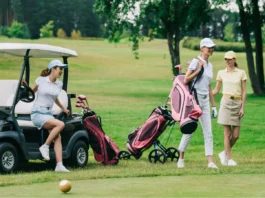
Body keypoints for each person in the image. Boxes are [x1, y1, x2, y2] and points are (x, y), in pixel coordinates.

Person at [177, 38, 218, 169]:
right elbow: (186, 79)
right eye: (208, 47)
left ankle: (210, 161)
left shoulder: (210, 65)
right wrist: (198, 69)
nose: (210, 49)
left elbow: (209, 86)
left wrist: (214, 106)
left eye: (212, 47)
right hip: (194, 100)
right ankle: (181, 158)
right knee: (189, 130)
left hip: (205, 100)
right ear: (202, 48)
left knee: (208, 132)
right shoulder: (196, 61)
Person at [30, 59, 71, 172]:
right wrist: (24, 87)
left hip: (48, 114)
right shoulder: (41, 80)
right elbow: (31, 92)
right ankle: (45, 146)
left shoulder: (59, 84)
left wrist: (64, 108)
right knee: (60, 125)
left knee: (58, 137)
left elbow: (54, 98)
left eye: (62, 69)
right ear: (53, 69)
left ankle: (59, 165)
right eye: (60, 69)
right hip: (37, 113)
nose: (61, 71)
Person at [212, 51, 247, 166]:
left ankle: (224, 153)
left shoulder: (241, 73)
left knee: (236, 135)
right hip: (225, 103)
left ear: (234, 60)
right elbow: (216, 90)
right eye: (226, 59)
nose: (227, 61)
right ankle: (230, 158)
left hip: (237, 103)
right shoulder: (221, 73)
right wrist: (204, 94)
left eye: (230, 59)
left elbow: (244, 91)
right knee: (227, 134)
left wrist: (242, 107)